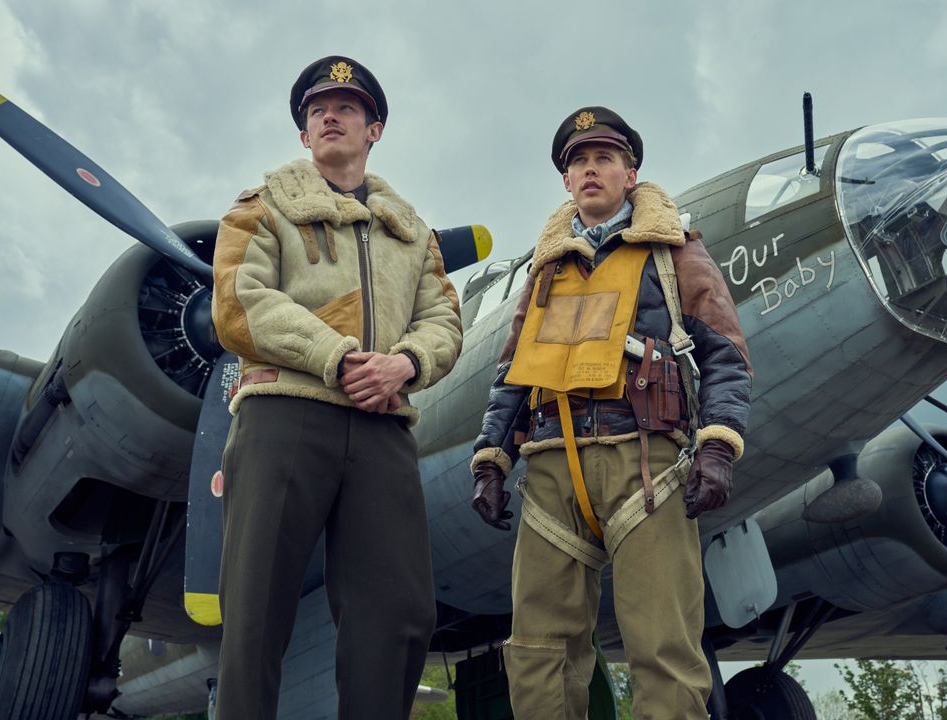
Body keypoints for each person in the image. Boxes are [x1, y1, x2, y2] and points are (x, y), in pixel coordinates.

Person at [470, 106, 752, 719]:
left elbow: (727, 357)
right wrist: (492, 459)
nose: (590, 169)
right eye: (578, 162)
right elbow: (513, 375)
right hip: (550, 468)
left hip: (646, 465)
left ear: (631, 174)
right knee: (538, 651)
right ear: (565, 182)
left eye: (604, 158)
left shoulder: (677, 254)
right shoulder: (542, 272)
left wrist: (718, 445)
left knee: (664, 648)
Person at [210, 55, 462, 719]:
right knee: (255, 608)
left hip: (383, 426)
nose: (329, 115)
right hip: (284, 415)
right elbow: (239, 301)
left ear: (374, 128)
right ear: (303, 134)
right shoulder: (261, 206)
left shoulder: (413, 233)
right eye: (317, 110)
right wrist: (339, 356)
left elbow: (442, 319)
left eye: (346, 108)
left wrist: (405, 364)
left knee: (401, 613)